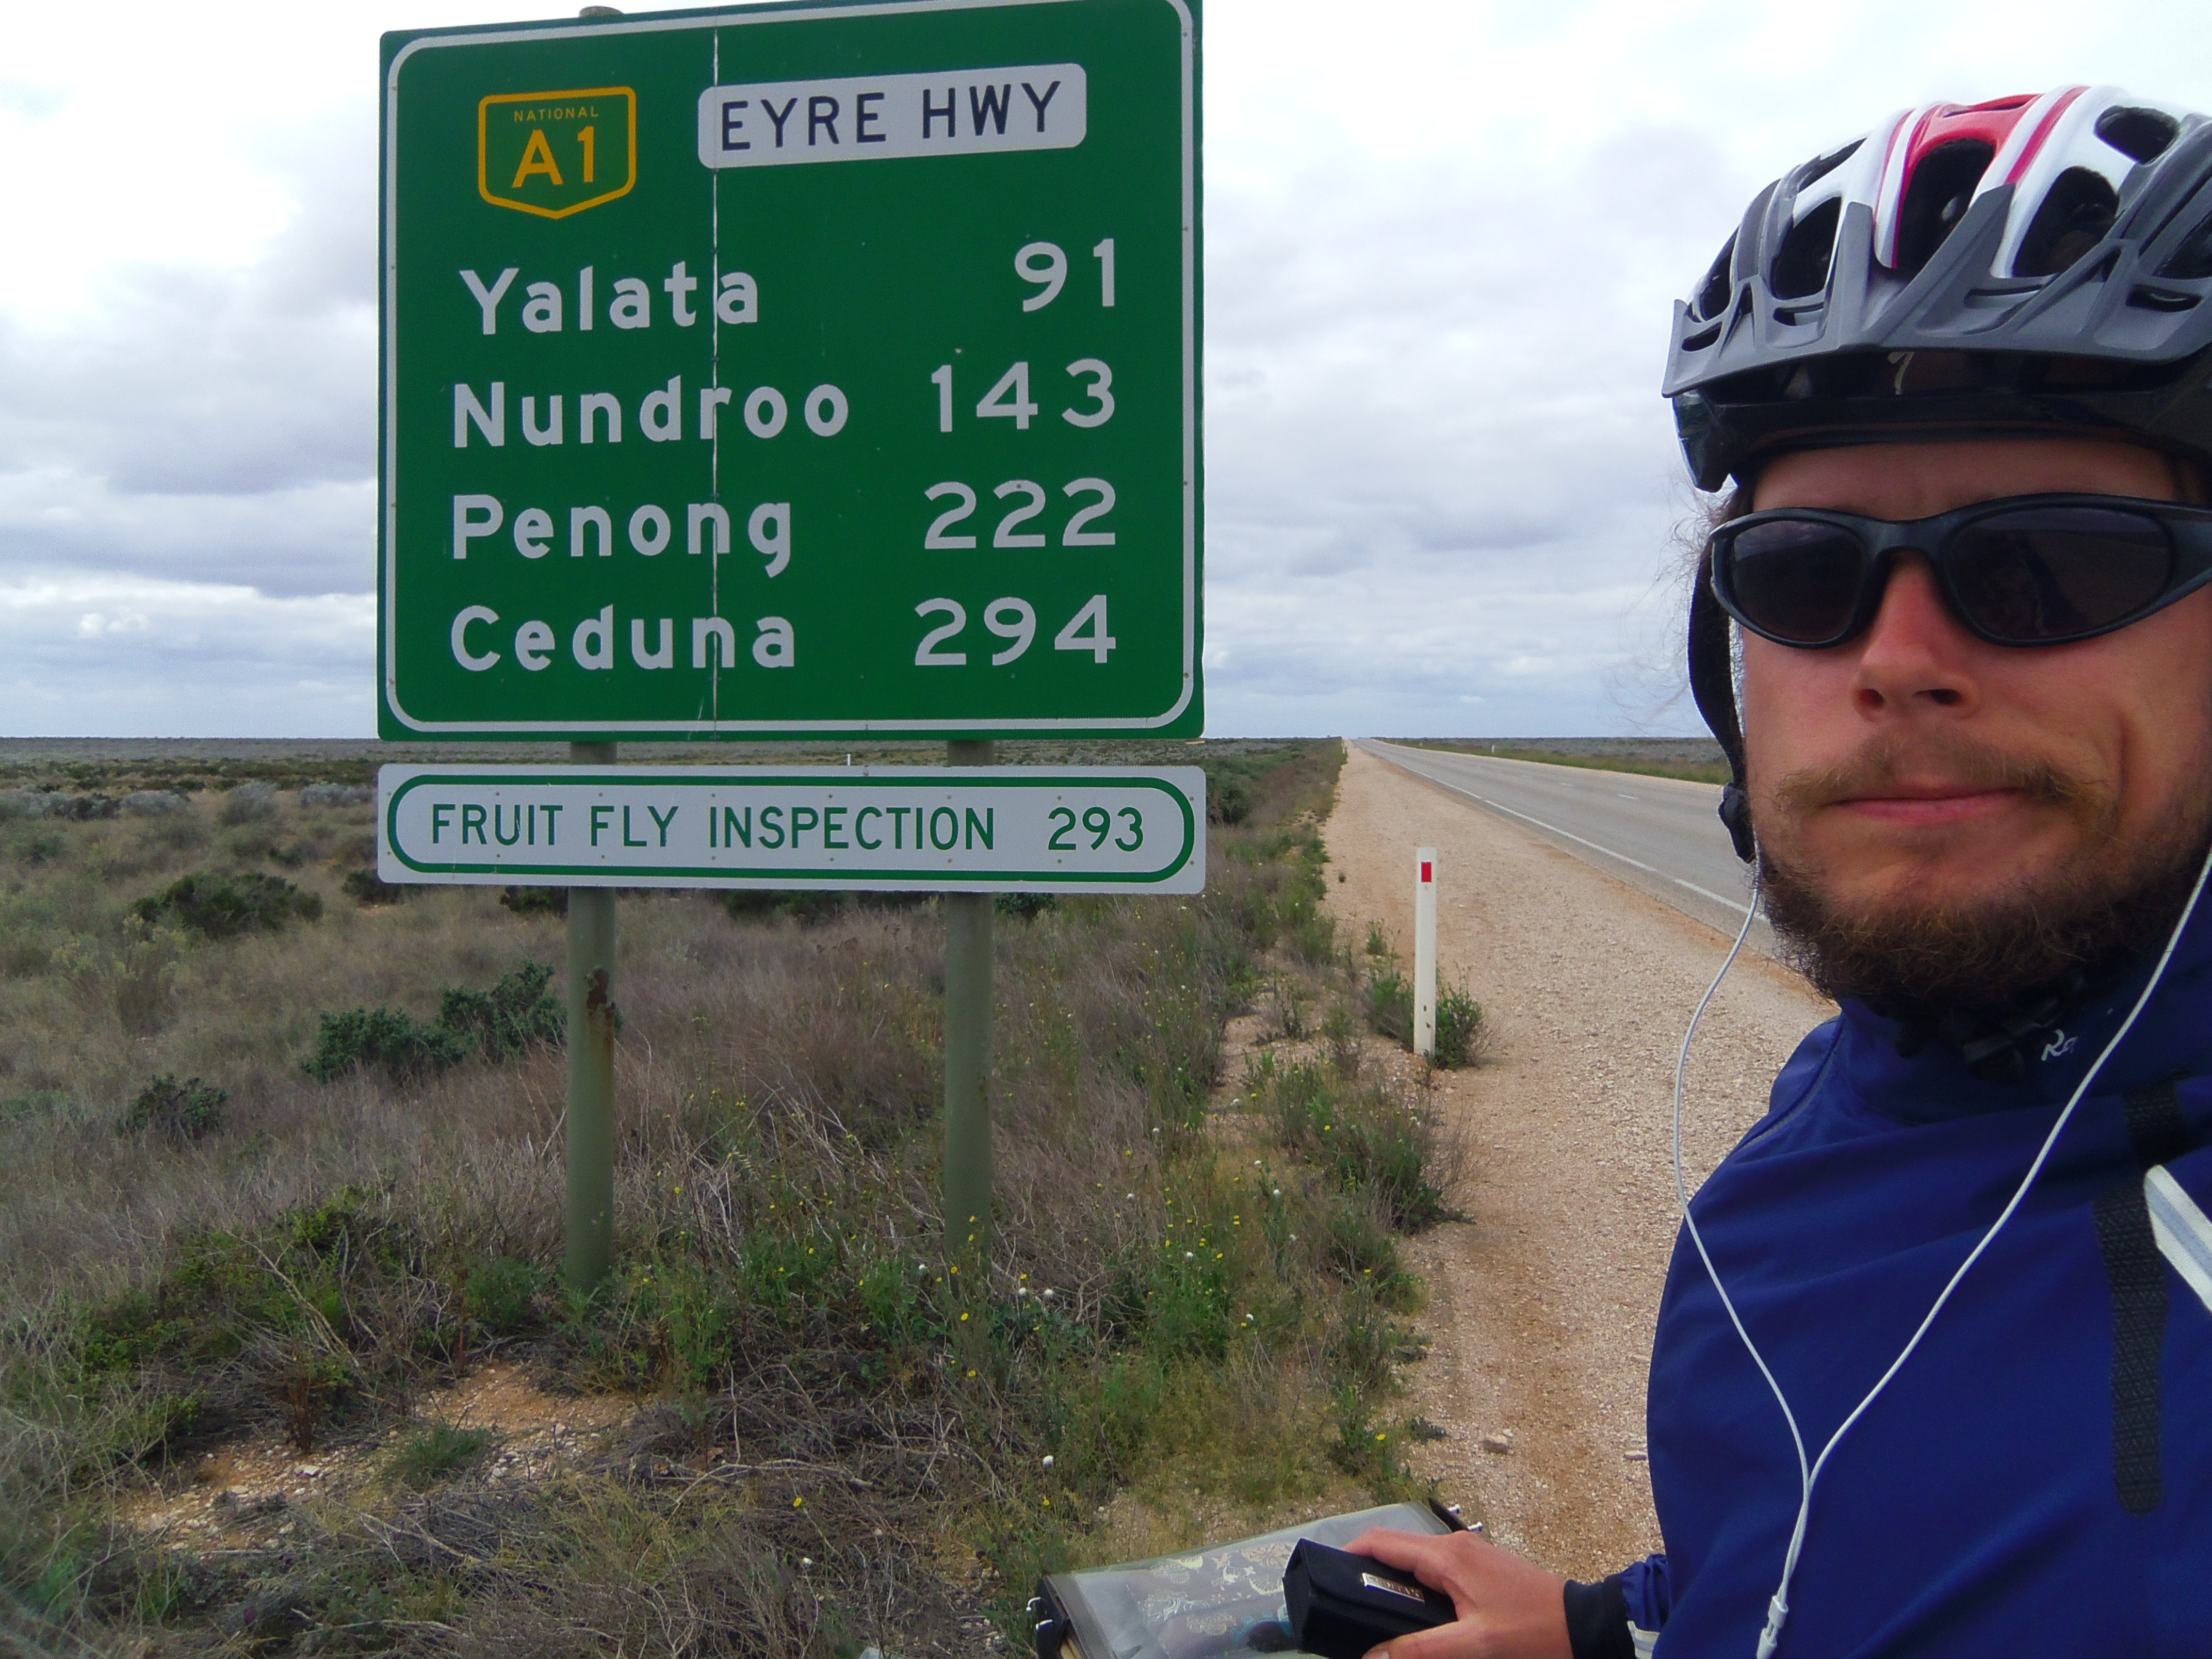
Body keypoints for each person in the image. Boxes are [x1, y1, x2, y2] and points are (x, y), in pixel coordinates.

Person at [1348, 86, 2212, 1657]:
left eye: (2047, 562)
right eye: (1807, 575)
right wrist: (1606, 1630)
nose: (1896, 659)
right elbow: (1834, 1566)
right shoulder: (1840, 1123)